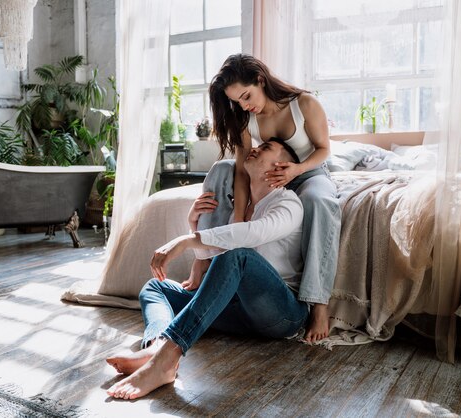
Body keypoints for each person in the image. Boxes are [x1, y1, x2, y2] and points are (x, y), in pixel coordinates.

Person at [106, 139, 308, 400]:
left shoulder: (288, 203)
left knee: (239, 257)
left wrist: (187, 241)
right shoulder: (242, 208)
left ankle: (167, 357)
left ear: (281, 168)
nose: (255, 147)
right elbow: (216, 253)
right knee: (156, 287)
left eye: (266, 148)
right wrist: (193, 224)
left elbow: (250, 236)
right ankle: (155, 345)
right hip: (239, 311)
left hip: (281, 314)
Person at [197, 53, 341, 343]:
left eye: (247, 95)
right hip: (273, 175)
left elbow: (324, 149)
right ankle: (205, 264)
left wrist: (297, 169)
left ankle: (319, 303)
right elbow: (240, 171)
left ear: (261, 80)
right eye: (237, 101)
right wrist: (239, 218)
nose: (244, 105)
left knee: (319, 201)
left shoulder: (305, 105)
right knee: (220, 169)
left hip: (309, 171)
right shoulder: (246, 120)